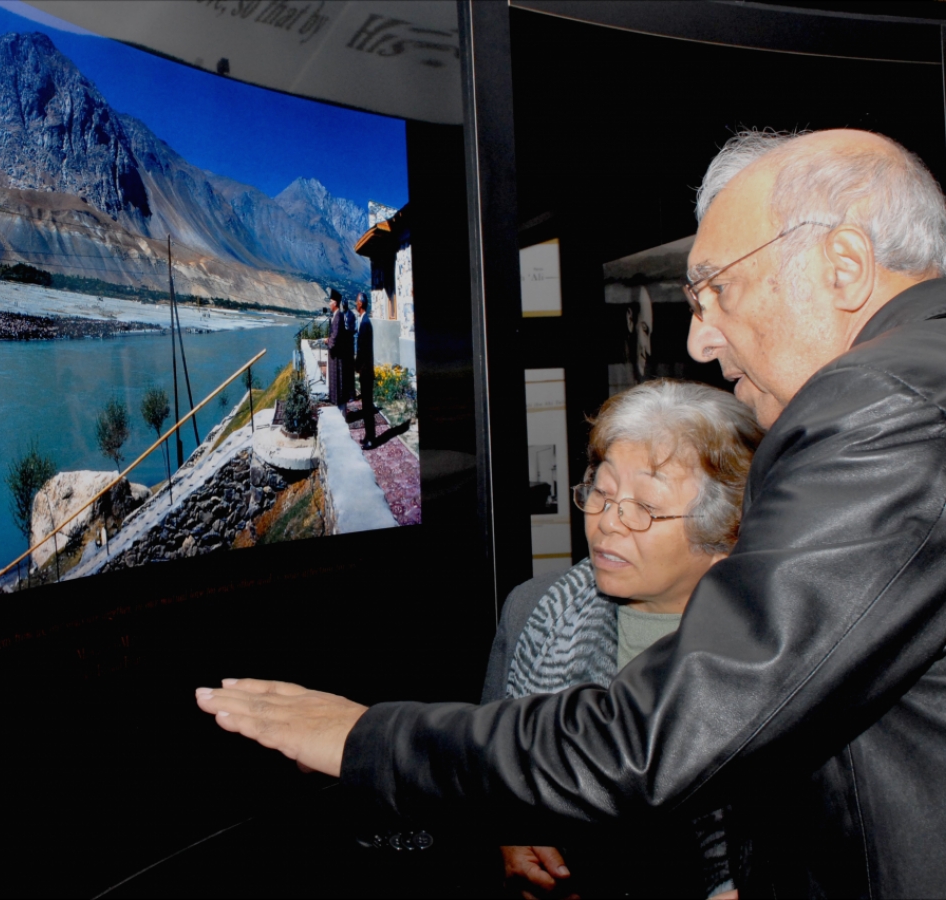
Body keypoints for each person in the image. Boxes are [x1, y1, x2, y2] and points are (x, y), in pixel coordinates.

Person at [196, 128, 946, 897]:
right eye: (603, 491)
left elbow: (665, 738)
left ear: (845, 266)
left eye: (717, 286)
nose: (698, 336)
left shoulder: (887, 407)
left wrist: (366, 737)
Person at [485, 379, 761, 899]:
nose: (607, 523)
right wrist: (509, 832)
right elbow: (488, 765)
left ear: (726, 531)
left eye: (645, 508)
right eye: (602, 493)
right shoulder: (536, 612)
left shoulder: (780, 650)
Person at [354, 294, 376, 449]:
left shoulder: (365, 323)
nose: (355, 303)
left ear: (361, 303)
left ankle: (371, 439)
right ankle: (369, 436)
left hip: (366, 370)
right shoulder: (363, 321)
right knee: (365, 405)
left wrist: (356, 366)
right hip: (365, 370)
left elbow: (363, 350)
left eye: (357, 301)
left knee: (368, 406)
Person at [325, 290, 346, 408]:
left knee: (337, 379)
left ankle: (338, 405)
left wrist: (329, 342)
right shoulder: (336, 316)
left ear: (336, 303)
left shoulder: (338, 316)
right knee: (334, 379)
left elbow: (336, 335)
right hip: (334, 354)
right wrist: (329, 339)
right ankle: (335, 402)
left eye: (331, 301)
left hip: (337, 355)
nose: (329, 304)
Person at [341, 295, 357, 404]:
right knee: (344, 372)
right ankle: (345, 393)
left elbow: (353, 330)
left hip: (349, 347)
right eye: (342, 304)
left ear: (347, 304)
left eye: (345, 303)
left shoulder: (351, 316)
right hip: (343, 348)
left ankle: (352, 394)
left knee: (350, 372)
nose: (343, 305)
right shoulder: (341, 315)